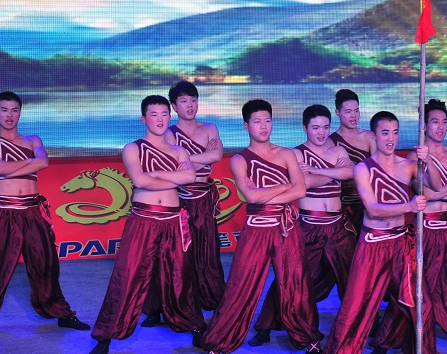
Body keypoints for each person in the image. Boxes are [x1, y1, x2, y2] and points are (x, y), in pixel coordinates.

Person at [0, 91, 90, 339]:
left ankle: (62, 313)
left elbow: (42, 163)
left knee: (46, 265)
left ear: (20, 113)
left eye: (14, 110)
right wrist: (26, 163)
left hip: (33, 210)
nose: (9, 115)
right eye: (4, 110)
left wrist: (9, 168)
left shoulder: (33, 139)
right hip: (5, 211)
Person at [371, 100, 447, 354]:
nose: (440, 127)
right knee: (416, 287)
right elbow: (423, 195)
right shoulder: (414, 158)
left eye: (444, 122)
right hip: (426, 229)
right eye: (435, 122)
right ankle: (387, 340)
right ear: (424, 126)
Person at [200, 99, 324, 354]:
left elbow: (300, 190)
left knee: (296, 283)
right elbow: (251, 197)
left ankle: (307, 338)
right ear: (246, 126)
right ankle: (220, 341)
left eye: (267, 120)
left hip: (286, 228)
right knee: (241, 285)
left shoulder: (286, 154)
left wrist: (268, 192)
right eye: (257, 121)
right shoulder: (239, 160)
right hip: (256, 229)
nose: (264, 126)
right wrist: (285, 185)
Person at [88, 95, 206, 354]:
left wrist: (158, 174)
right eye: (154, 114)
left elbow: (190, 176)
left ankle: (195, 326)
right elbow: (140, 181)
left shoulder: (179, 150)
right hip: (144, 219)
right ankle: (105, 336)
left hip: (174, 220)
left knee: (181, 275)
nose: (160, 119)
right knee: (127, 275)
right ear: (144, 119)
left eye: (164, 114)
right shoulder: (133, 148)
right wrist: (173, 176)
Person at [323, 111, 438, 354]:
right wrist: (408, 207)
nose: (391, 138)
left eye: (395, 132)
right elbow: (373, 209)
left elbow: (434, 187)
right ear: (374, 136)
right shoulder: (362, 169)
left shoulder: (408, 165)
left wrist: (427, 161)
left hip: (401, 244)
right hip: (372, 243)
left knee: (422, 304)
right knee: (356, 306)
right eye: (385, 133)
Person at [248, 104, 356, 347]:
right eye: (315, 127)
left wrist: (319, 170)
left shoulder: (338, 149)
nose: (321, 132)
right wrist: (334, 172)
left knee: (354, 277)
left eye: (325, 127)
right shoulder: (296, 154)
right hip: (309, 227)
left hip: (338, 227)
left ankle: (364, 323)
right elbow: (304, 184)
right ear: (305, 128)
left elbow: (351, 172)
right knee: (291, 278)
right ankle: (265, 325)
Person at [142, 81, 225, 326]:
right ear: (175, 106)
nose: (190, 105)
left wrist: (185, 160)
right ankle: (160, 306)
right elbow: (172, 165)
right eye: (184, 101)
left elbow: (217, 155)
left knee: (207, 251)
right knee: (172, 254)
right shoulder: (169, 133)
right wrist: (196, 160)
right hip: (178, 199)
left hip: (204, 198)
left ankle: (209, 297)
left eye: (193, 100)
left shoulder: (210, 128)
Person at [329, 89, 376, 235]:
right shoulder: (331, 141)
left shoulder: (369, 137)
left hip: (367, 203)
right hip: (341, 206)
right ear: (337, 113)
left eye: (356, 111)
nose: (353, 116)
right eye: (348, 112)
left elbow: (379, 171)